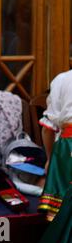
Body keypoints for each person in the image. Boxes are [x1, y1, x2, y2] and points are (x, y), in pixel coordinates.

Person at [37, 70, 72, 221]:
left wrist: (50, 159)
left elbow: (48, 128)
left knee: (64, 210)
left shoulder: (63, 80)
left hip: (67, 147)